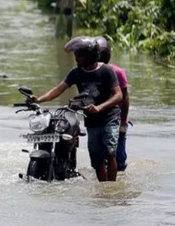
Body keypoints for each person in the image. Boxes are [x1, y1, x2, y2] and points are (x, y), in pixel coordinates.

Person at [29, 38, 123, 182]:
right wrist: (38, 100)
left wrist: (99, 108)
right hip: (92, 120)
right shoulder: (76, 72)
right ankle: (103, 188)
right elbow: (58, 90)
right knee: (96, 157)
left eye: (79, 55)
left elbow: (118, 96)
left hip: (110, 117)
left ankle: (111, 186)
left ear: (90, 56)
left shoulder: (106, 70)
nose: (76, 58)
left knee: (110, 152)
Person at [66, 36, 131, 172]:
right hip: (94, 118)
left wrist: (123, 123)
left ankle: (115, 179)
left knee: (117, 157)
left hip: (114, 117)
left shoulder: (114, 71)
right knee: (97, 158)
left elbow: (124, 98)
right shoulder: (82, 71)